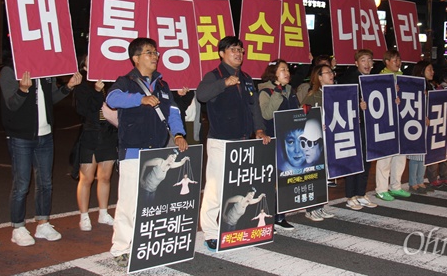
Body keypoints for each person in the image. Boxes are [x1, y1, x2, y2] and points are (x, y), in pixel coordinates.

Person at [106, 37, 188, 267]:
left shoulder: (162, 85)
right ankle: (121, 248)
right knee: (129, 203)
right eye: (149, 53)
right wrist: (139, 99)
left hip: (158, 151)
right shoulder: (126, 82)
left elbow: (172, 111)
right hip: (133, 150)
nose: (155, 56)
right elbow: (112, 99)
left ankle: (144, 243)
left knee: (151, 202)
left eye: (156, 53)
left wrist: (179, 134)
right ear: (136, 58)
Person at [196, 36, 270, 252]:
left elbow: (254, 106)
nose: (238, 53)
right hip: (221, 141)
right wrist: (223, 84)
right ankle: (210, 232)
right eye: (233, 50)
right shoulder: (214, 76)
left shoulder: (246, 78)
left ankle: (237, 227)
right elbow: (201, 95)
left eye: (241, 50)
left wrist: (259, 129)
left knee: (240, 187)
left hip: (244, 140)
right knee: (216, 189)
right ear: (221, 53)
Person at [0, 62, 82, 246]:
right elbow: (11, 104)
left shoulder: (45, 67)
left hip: (45, 135)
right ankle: (18, 227)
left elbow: (50, 99)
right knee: (21, 183)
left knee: (45, 182)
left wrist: (68, 87)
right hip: (21, 136)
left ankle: (43, 223)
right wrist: (22, 89)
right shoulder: (10, 69)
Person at [74, 55, 118, 232]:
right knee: (87, 177)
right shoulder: (82, 85)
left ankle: (103, 212)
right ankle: (84, 216)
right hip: (91, 134)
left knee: (105, 176)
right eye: (89, 63)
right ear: (84, 67)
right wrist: (96, 91)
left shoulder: (111, 83)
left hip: (108, 134)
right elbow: (84, 110)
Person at [258, 59, 301, 231]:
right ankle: (268, 217)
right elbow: (267, 114)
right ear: (273, 73)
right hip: (272, 141)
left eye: (288, 69)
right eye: (282, 69)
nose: (287, 72)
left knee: (285, 180)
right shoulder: (265, 91)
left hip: (288, 142)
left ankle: (280, 216)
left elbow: (295, 114)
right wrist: (277, 92)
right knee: (271, 182)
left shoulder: (291, 90)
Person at [337, 49, 380, 209]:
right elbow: (341, 101)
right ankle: (350, 195)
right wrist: (357, 105)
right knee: (354, 160)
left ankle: (361, 193)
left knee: (366, 161)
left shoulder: (374, 81)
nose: (367, 64)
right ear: (356, 63)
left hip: (370, 126)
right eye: (363, 60)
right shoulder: (349, 79)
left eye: (370, 60)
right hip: (354, 126)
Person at [301, 64, 341, 220]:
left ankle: (321, 205)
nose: (331, 75)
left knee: (324, 174)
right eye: (327, 73)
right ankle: (311, 208)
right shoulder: (313, 96)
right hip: (317, 141)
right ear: (319, 77)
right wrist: (316, 124)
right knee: (315, 174)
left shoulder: (334, 94)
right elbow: (302, 115)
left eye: (332, 72)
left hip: (330, 140)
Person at [375, 49, 411, 201]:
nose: (398, 63)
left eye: (399, 60)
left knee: (400, 155)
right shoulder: (380, 78)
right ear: (387, 62)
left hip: (401, 121)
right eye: (394, 60)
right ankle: (381, 188)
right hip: (386, 122)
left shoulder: (403, 78)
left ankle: (396, 186)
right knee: (385, 156)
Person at [406, 61, 436, 195]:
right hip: (416, 124)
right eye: (429, 69)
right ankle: (413, 182)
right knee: (415, 155)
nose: (432, 72)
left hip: (427, 125)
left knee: (424, 155)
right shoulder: (415, 86)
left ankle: (420, 180)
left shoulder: (430, 86)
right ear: (421, 71)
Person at [426, 68, 447, 188]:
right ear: (445, 78)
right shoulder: (440, 90)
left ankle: (444, 176)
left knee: (446, 152)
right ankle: (434, 178)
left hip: (445, 124)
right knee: (436, 151)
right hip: (437, 124)